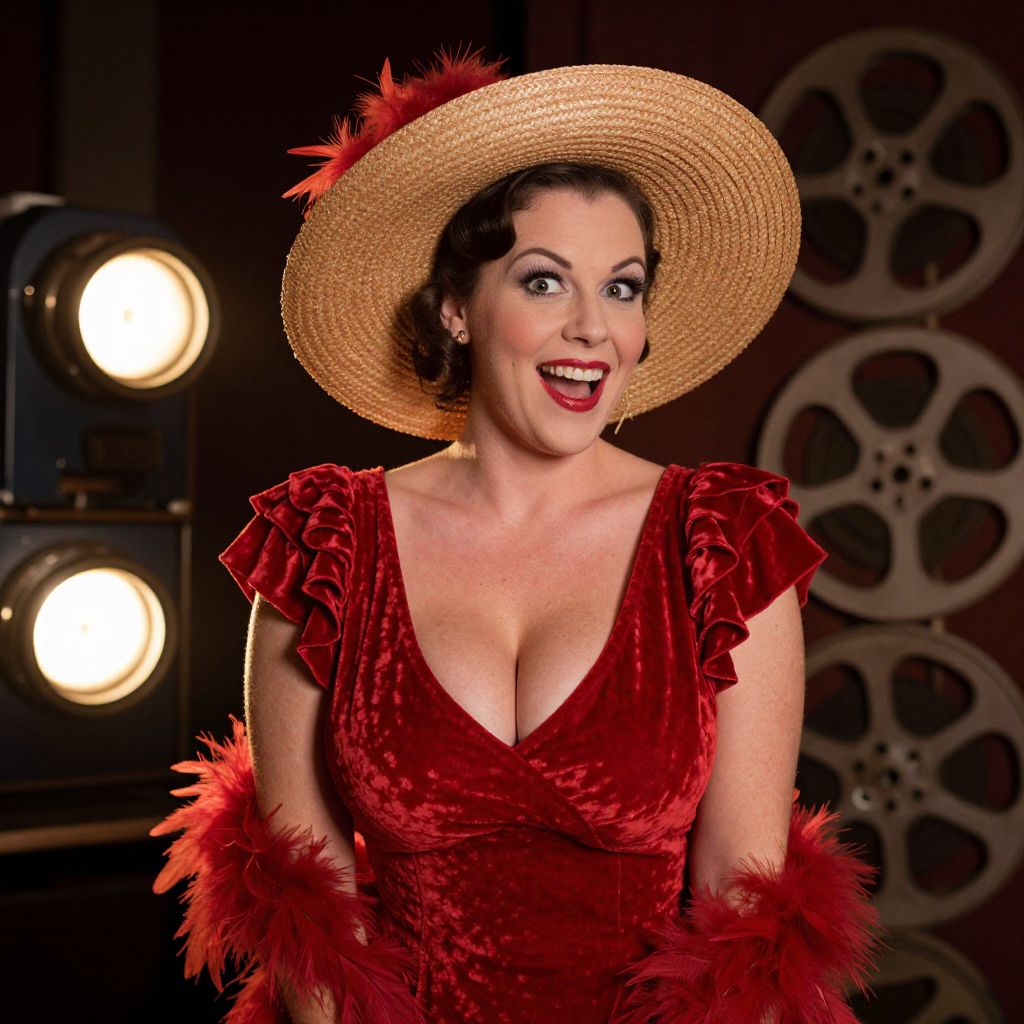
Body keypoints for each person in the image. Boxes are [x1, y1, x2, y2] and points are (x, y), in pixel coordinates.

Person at [151, 48, 885, 1024]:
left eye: (622, 288)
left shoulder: (722, 544)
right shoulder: (321, 543)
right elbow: (308, 922)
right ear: (455, 306)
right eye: (545, 283)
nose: (592, 327)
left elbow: (740, 923)